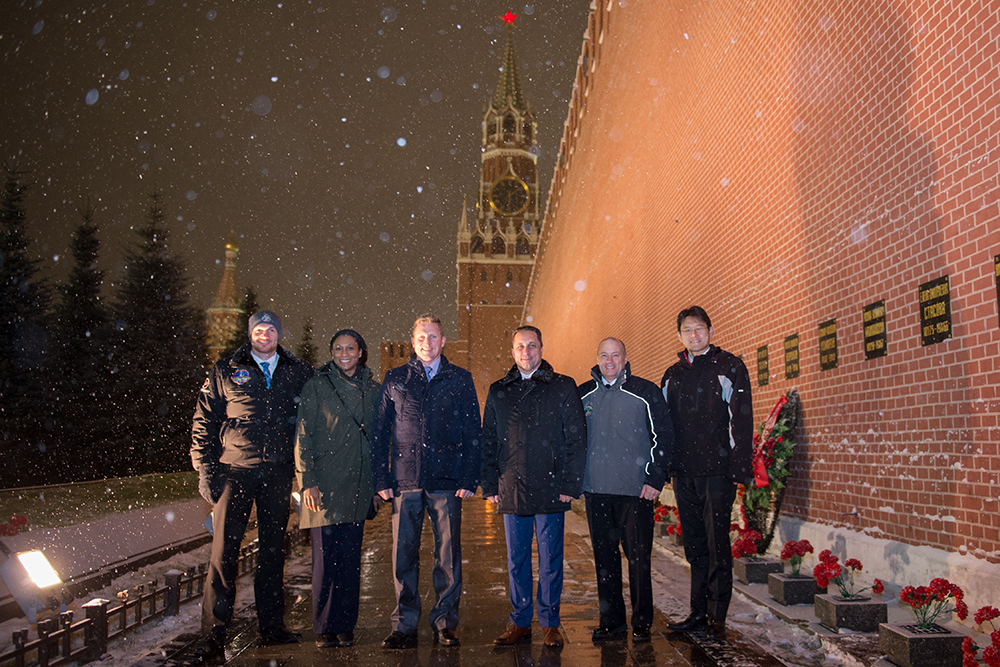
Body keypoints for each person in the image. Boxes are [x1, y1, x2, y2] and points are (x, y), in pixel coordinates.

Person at [190, 310, 314, 655]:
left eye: (270, 329)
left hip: (277, 472)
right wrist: (206, 470)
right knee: (224, 555)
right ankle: (213, 636)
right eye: (259, 329)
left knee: (273, 553)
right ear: (251, 333)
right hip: (235, 471)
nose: (265, 335)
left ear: (278, 334)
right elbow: (204, 421)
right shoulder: (226, 370)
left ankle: (271, 627)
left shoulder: (297, 370)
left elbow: (315, 415)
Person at [370, 314, 482, 649]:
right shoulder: (396, 379)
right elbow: (380, 432)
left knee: (447, 554)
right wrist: (381, 477)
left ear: (443, 341)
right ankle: (404, 625)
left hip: (446, 479)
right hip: (405, 480)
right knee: (403, 555)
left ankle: (445, 622)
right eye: (421, 337)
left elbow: (473, 432)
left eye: (433, 337)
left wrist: (470, 477)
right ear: (412, 341)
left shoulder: (459, 379)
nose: (427, 343)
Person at [482, 325, 588, 648]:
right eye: (520, 347)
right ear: (512, 351)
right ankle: (520, 621)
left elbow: (576, 438)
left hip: (550, 486)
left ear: (541, 348)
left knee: (550, 559)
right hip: (511, 486)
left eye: (531, 346)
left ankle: (550, 622)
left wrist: (571, 483)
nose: (526, 352)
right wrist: (489, 484)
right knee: (516, 560)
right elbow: (488, 440)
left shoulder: (563, 386)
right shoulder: (498, 390)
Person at [660, 306, 752, 638]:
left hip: (717, 472)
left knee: (717, 545)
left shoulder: (729, 367)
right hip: (684, 472)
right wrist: (667, 466)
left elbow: (741, 420)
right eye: (687, 330)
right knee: (694, 545)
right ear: (679, 335)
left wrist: (738, 468)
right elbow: (664, 425)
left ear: (710, 331)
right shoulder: (672, 374)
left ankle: (717, 616)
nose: (694, 335)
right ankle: (698, 611)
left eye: (699, 328)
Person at [579, 337, 673, 642]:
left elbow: (663, 436)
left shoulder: (645, 392)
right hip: (597, 491)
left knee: (638, 560)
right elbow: (573, 441)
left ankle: (642, 621)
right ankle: (611, 621)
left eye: (615, 355)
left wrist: (655, 479)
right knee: (604, 561)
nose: (609, 361)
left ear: (625, 358)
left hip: (636, 492)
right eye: (604, 355)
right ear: (597, 358)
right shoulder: (582, 394)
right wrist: (578, 481)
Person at [294, 329, 380, 649]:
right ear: (332, 353)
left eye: (350, 348)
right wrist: (307, 482)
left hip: (358, 484)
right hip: (325, 487)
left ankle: (345, 624)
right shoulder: (316, 386)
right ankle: (324, 626)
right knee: (325, 561)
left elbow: (380, 437)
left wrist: (377, 484)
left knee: (349, 561)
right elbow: (303, 436)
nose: (345, 354)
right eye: (338, 348)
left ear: (361, 352)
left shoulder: (373, 390)